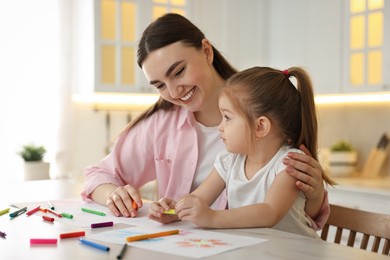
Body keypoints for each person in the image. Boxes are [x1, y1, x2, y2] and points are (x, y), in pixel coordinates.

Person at [81, 13, 329, 228]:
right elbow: (98, 175)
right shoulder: (162, 124)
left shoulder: (262, 102)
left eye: (178, 72)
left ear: (207, 51)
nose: (174, 92)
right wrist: (119, 196)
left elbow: (298, 214)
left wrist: (316, 193)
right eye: (159, 85)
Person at [149, 66, 334, 237]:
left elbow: (270, 212)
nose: (220, 126)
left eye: (227, 117)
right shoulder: (229, 160)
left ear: (260, 126)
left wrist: (213, 218)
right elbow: (198, 198)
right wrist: (175, 210)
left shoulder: (290, 164)